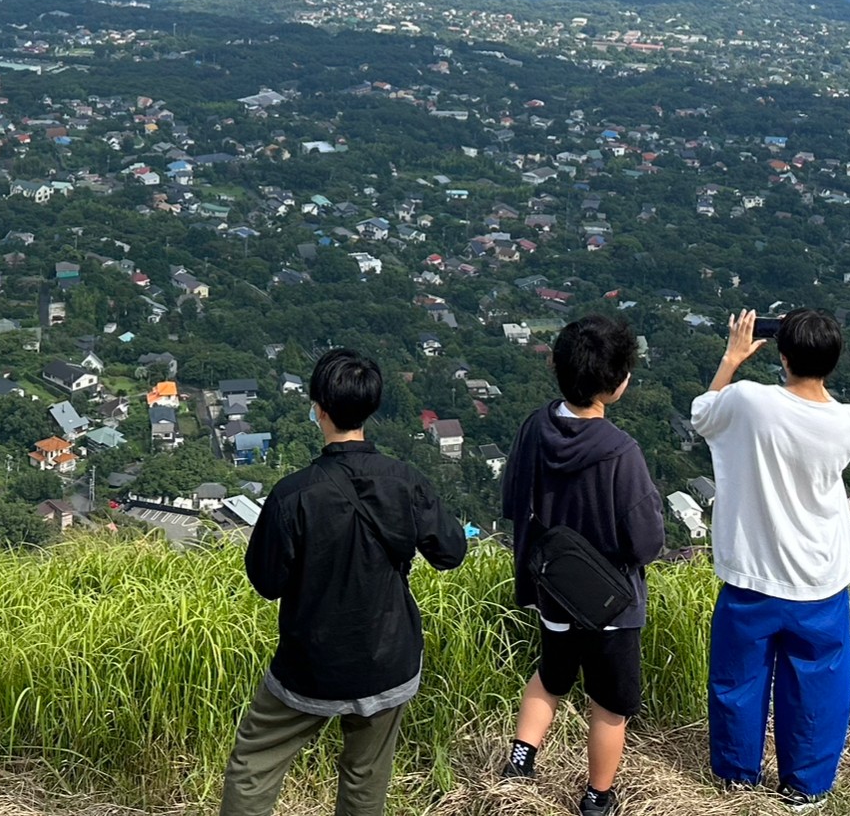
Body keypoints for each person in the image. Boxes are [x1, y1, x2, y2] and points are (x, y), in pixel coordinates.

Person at [221, 348, 469, 816]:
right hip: (387, 659)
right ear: (371, 408)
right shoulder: (405, 481)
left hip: (311, 665)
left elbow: (267, 581)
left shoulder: (293, 495)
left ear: (319, 408)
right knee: (366, 773)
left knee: (254, 762)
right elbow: (451, 552)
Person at [692, 309, 850, 808]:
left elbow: (703, 413)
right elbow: (819, 411)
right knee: (818, 683)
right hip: (821, 573)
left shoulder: (749, 401)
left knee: (738, 679)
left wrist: (732, 357)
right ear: (833, 361)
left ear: (783, 355)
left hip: (753, 570)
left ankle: (736, 777)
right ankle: (805, 787)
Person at [499, 316, 667, 816]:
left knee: (551, 675)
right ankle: (597, 798)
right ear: (619, 385)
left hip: (554, 588)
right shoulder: (621, 453)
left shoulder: (535, 427)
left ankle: (520, 761)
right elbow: (646, 543)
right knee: (609, 704)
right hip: (611, 602)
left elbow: (512, 499)